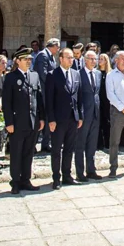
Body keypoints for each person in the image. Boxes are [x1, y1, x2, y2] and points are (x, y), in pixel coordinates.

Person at [3, 47, 45, 193]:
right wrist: (9, 122)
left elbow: (39, 98)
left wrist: (42, 118)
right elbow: (6, 102)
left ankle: (26, 179)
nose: (29, 62)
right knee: (16, 152)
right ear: (18, 61)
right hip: (17, 122)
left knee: (28, 152)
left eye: (30, 60)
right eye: (26, 59)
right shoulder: (11, 77)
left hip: (32, 121)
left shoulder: (34, 76)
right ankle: (15, 181)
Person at [45, 47, 83, 189]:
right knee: (56, 150)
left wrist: (80, 116)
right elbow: (49, 99)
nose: (71, 60)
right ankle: (56, 177)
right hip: (58, 119)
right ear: (60, 59)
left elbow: (79, 97)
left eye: (72, 57)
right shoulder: (52, 75)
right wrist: (51, 119)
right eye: (68, 57)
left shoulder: (76, 74)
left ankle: (67, 175)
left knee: (69, 149)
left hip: (73, 118)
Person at [74, 48, 103, 182]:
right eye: (91, 59)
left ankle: (91, 170)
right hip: (84, 114)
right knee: (80, 144)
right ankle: (80, 173)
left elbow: (97, 93)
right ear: (85, 61)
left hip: (95, 113)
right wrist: (79, 115)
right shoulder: (78, 74)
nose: (94, 61)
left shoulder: (98, 74)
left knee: (92, 144)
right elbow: (77, 96)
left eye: (95, 59)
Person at [33, 38, 60, 152]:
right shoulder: (42, 56)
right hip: (42, 91)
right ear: (52, 46)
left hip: (49, 91)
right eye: (57, 47)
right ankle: (33, 144)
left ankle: (45, 143)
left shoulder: (51, 57)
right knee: (41, 118)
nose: (58, 49)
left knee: (48, 117)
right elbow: (43, 74)